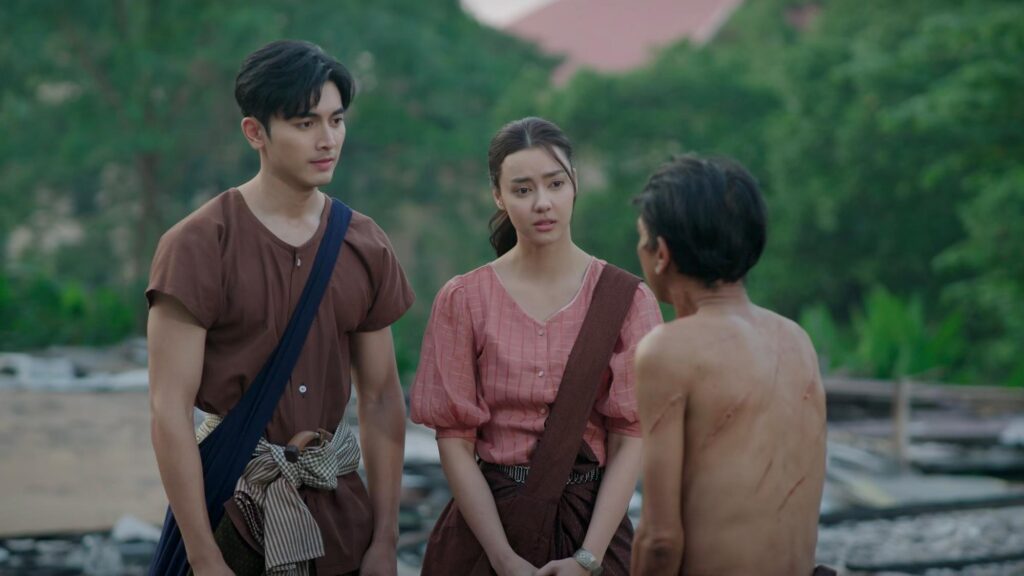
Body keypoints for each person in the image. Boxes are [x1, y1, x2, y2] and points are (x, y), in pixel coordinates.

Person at [147, 40, 413, 576]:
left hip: (341, 513)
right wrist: (204, 556)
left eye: (336, 120)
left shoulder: (364, 244)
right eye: (305, 123)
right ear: (255, 132)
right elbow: (169, 409)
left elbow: (382, 398)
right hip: (234, 508)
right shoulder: (199, 244)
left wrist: (385, 540)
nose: (327, 139)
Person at [410, 117, 662, 576]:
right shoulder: (464, 299)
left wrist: (587, 559)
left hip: (591, 524)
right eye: (523, 190)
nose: (542, 203)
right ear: (498, 196)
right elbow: (455, 441)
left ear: (574, 184)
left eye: (555, 184)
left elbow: (631, 436)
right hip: (488, 526)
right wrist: (502, 558)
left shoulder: (627, 300)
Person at [629, 155, 832, 576]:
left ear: (661, 253)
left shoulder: (668, 350)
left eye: (642, 238)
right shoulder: (796, 339)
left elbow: (660, 541)